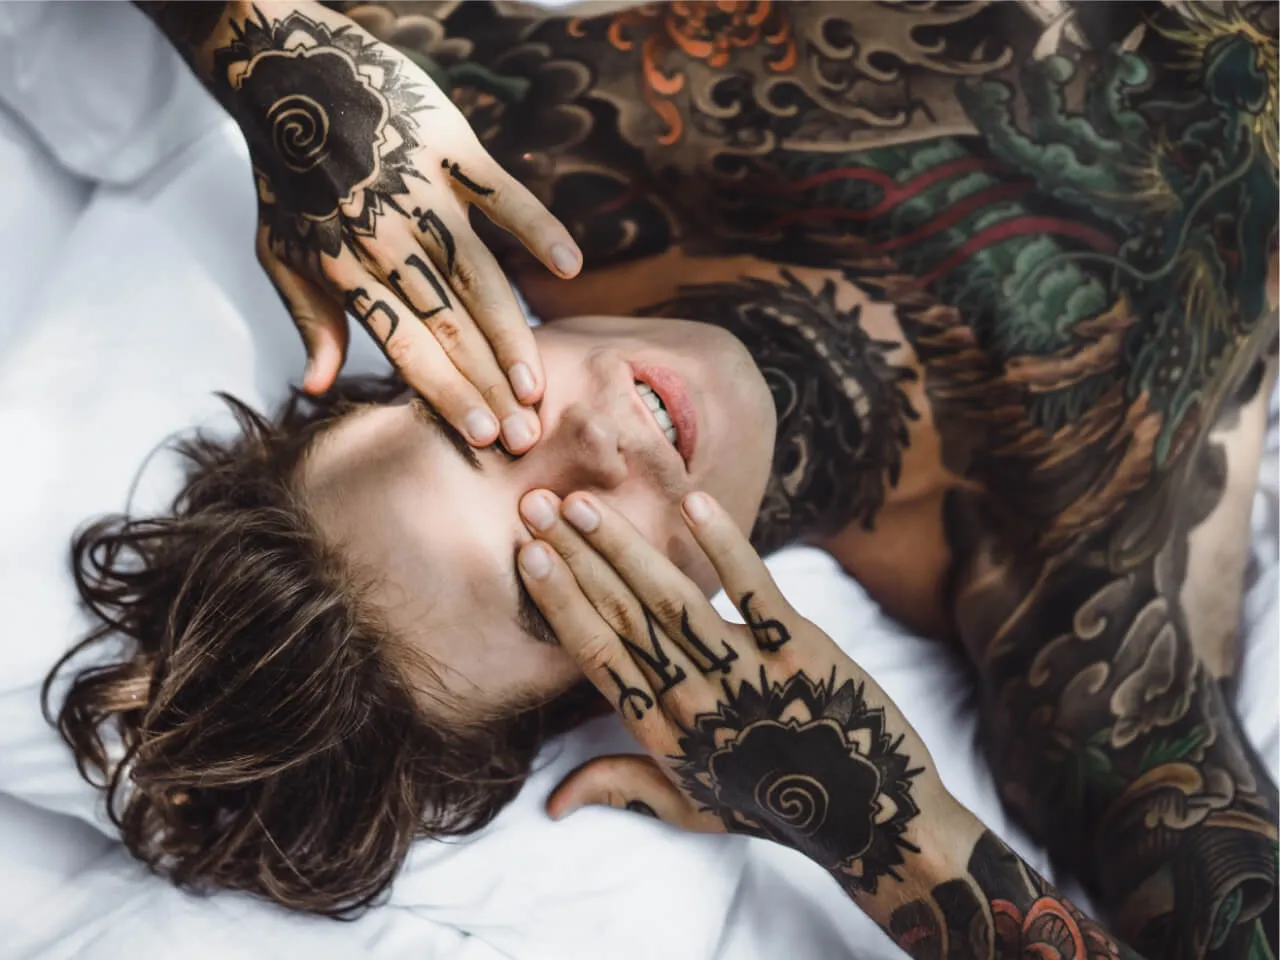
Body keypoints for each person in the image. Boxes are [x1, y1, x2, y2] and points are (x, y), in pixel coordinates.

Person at [43, 1, 1278, 958]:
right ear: (622, 686)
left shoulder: (512, 134)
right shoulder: (1084, 628)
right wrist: (890, 839)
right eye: (561, 563)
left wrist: (257, 47)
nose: (595, 444)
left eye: (483, 432)